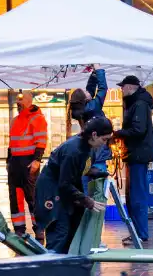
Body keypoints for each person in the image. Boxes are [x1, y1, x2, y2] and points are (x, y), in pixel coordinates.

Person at [35, 116, 113, 253]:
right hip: (51, 190)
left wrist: (95, 173)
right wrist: (86, 200)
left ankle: (68, 265)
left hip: (62, 186)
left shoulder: (88, 147)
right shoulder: (73, 150)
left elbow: (79, 169)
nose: (104, 143)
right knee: (61, 230)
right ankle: (52, 266)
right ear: (94, 135)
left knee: (74, 223)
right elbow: (65, 183)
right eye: (104, 139)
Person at [114, 75, 153, 244]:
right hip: (136, 155)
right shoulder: (137, 104)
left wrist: (118, 133)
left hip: (137, 155)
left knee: (137, 196)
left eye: (123, 87)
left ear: (130, 87)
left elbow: (138, 130)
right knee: (134, 196)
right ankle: (138, 232)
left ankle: (140, 233)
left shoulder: (138, 105)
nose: (121, 90)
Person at [7, 91, 49, 242]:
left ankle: (39, 228)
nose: (18, 104)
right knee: (15, 197)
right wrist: (8, 161)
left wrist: (37, 160)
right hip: (15, 164)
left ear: (29, 101)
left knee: (32, 197)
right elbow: (11, 144)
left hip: (29, 163)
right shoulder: (15, 120)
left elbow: (41, 141)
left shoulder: (37, 118)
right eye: (17, 102)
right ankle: (19, 229)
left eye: (21, 101)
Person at [68, 67, 111, 172]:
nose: (87, 92)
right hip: (98, 151)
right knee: (96, 183)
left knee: (86, 178)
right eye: (85, 92)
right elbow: (103, 89)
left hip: (90, 149)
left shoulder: (83, 109)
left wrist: (94, 74)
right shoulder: (92, 107)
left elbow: (90, 88)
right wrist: (100, 70)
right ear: (85, 99)